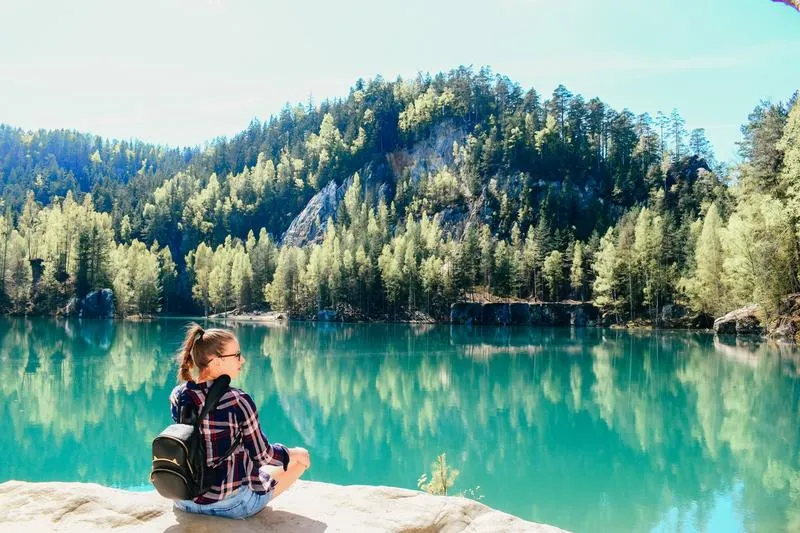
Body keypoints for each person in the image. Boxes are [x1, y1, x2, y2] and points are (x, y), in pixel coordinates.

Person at [169, 322, 310, 519]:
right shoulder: (238, 400)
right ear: (216, 361)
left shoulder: (178, 395)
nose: (242, 360)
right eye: (236, 355)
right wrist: (295, 453)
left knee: (262, 468)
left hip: (184, 499)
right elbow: (263, 456)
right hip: (229, 505)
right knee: (299, 461)